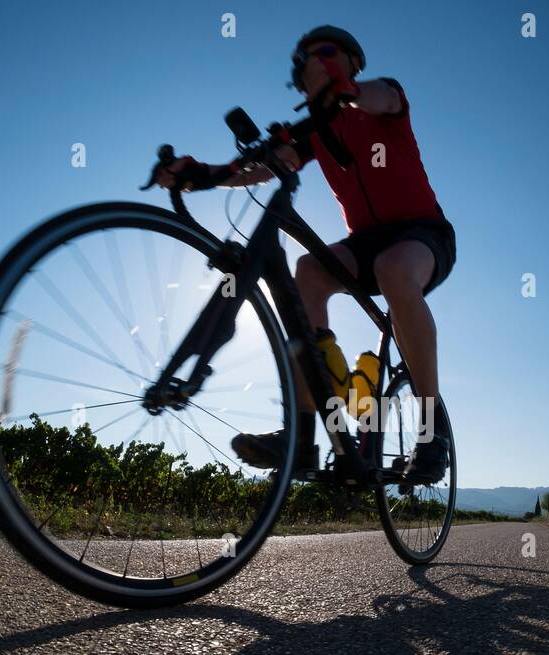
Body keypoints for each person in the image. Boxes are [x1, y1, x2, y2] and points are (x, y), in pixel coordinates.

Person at [153, 25, 454, 483]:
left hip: (422, 234)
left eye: (328, 53)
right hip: (364, 244)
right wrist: (200, 174)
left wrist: (348, 91)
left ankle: (432, 434)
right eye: (307, 58)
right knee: (307, 271)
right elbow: (255, 170)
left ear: (352, 62)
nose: (315, 62)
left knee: (394, 270)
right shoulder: (314, 131)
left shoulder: (382, 100)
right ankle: (305, 433)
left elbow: (383, 97)